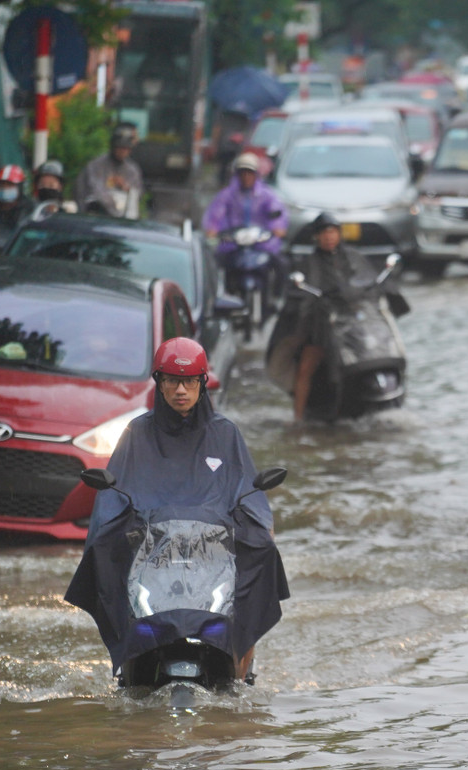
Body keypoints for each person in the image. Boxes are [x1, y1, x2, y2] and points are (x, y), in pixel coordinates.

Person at [64, 337, 288, 683]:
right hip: (152, 548)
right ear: (159, 382)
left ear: (203, 384)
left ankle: (242, 670)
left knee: (262, 552)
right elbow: (115, 494)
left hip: (214, 548)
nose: (180, 390)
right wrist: (114, 530)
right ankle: (128, 662)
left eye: (189, 381)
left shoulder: (224, 433)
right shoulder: (137, 433)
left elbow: (247, 492)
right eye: (171, 380)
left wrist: (260, 528)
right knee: (103, 550)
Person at [286, 212, 408, 422]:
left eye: (332, 232)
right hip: (322, 324)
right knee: (307, 363)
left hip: (354, 321)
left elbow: (370, 281)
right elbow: (299, 294)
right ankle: (297, 418)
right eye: (324, 233)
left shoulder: (354, 257)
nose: (329, 237)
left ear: (339, 234)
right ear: (316, 237)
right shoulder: (309, 263)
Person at [202, 150, 288, 318]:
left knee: (281, 264)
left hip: (261, 245)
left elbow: (277, 213)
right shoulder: (227, 195)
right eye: (243, 173)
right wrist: (213, 229)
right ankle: (216, 297)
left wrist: (277, 227)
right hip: (233, 244)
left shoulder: (267, 195)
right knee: (212, 263)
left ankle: (277, 299)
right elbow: (215, 215)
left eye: (250, 173)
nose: (246, 177)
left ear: (256, 175)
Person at [74, 123, 144, 219]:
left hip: (124, 219)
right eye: (120, 147)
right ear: (113, 146)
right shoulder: (96, 165)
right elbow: (95, 192)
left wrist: (126, 188)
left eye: (126, 148)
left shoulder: (132, 170)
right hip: (96, 217)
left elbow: (138, 193)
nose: (123, 151)